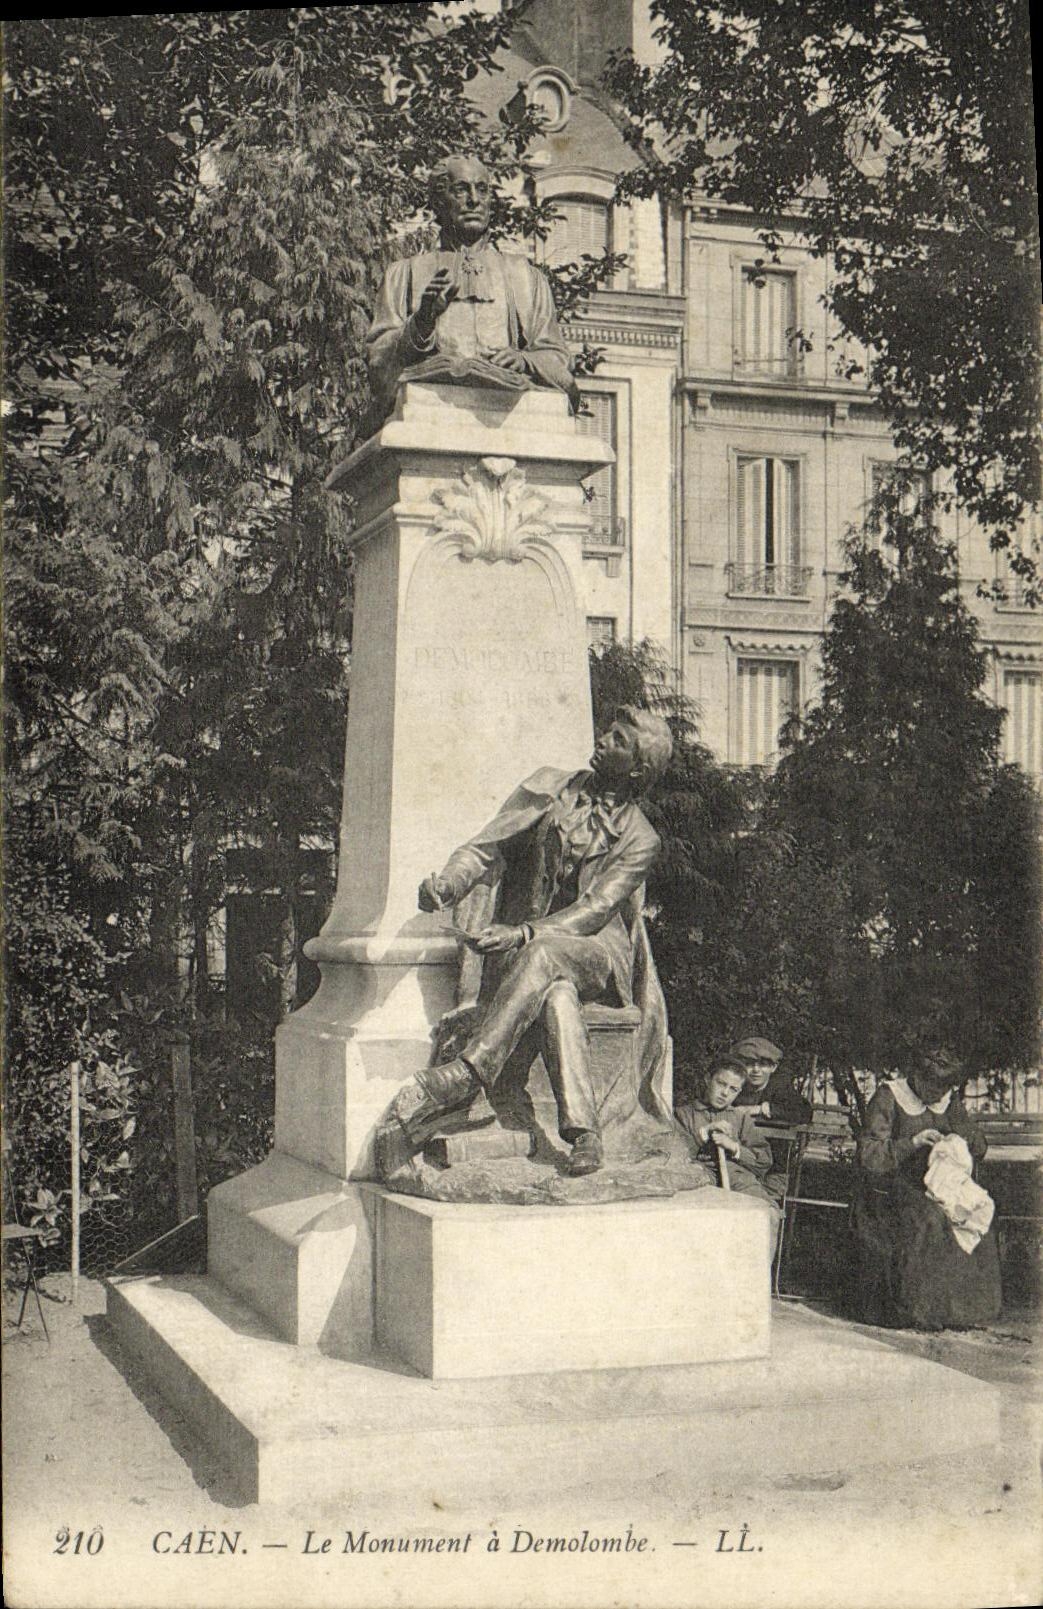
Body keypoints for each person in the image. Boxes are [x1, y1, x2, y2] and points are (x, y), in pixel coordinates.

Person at [374, 707, 674, 1180]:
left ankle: (468, 1072)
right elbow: (486, 846)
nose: (602, 739)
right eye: (608, 731)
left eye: (618, 740)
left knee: (546, 953)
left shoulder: (641, 838)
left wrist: (523, 933)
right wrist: (448, 884)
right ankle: (583, 1133)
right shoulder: (549, 787)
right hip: (540, 957)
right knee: (556, 994)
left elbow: (596, 908)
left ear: (637, 769)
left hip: (596, 952)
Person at [366, 153, 579, 420]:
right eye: (461, 189)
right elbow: (378, 360)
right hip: (431, 407)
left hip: (510, 407)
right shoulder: (404, 274)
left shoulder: (526, 277)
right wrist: (421, 322)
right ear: (439, 202)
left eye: (482, 189)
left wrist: (524, 360)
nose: (474, 200)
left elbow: (558, 359)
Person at [852, 1049, 1002, 1330]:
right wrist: (914, 1142)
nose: (939, 1094)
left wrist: (962, 1137)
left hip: (939, 1185)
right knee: (930, 1219)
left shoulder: (947, 1100)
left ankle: (965, 1312)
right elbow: (870, 1155)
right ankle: (921, 1311)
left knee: (979, 1212)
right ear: (916, 1077)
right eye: (933, 1086)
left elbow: (978, 1146)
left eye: (945, 1088)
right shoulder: (889, 1096)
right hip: (891, 1188)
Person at [674, 1058, 781, 1253]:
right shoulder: (683, 1114)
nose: (725, 1093)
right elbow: (674, 1158)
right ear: (708, 1079)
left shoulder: (740, 1118)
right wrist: (703, 1134)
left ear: (739, 1092)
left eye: (733, 1089)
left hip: (738, 1179)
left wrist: (734, 1147)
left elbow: (764, 1161)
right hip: (699, 1179)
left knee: (768, 1215)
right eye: (721, 1084)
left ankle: (757, 1282)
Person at [729, 1035, 812, 1202]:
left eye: (763, 1065)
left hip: (774, 1170)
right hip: (739, 1167)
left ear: (773, 1067)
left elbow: (804, 1112)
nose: (756, 1070)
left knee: (766, 1209)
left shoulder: (780, 1089)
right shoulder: (733, 1088)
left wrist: (762, 1109)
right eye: (749, 1064)